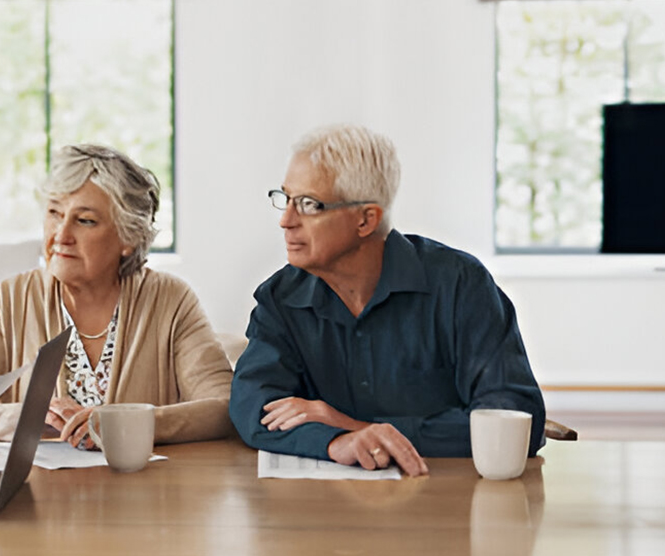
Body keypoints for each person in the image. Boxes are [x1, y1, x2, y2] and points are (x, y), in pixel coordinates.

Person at [229, 124, 545, 476]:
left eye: (308, 204)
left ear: (366, 220)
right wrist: (337, 441)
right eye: (285, 198)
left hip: (449, 507)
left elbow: (516, 420)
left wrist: (354, 425)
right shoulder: (280, 299)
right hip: (323, 513)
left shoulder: (460, 285)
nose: (286, 221)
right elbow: (253, 407)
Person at [0, 144, 232, 448]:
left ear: (129, 238)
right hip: (39, 491)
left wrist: (128, 424)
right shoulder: (10, 299)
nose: (61, 235)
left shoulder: (171, 299)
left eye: (85, 221)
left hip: (142, 489)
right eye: (55, 213)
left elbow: (223, 407)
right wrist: (26, 416)